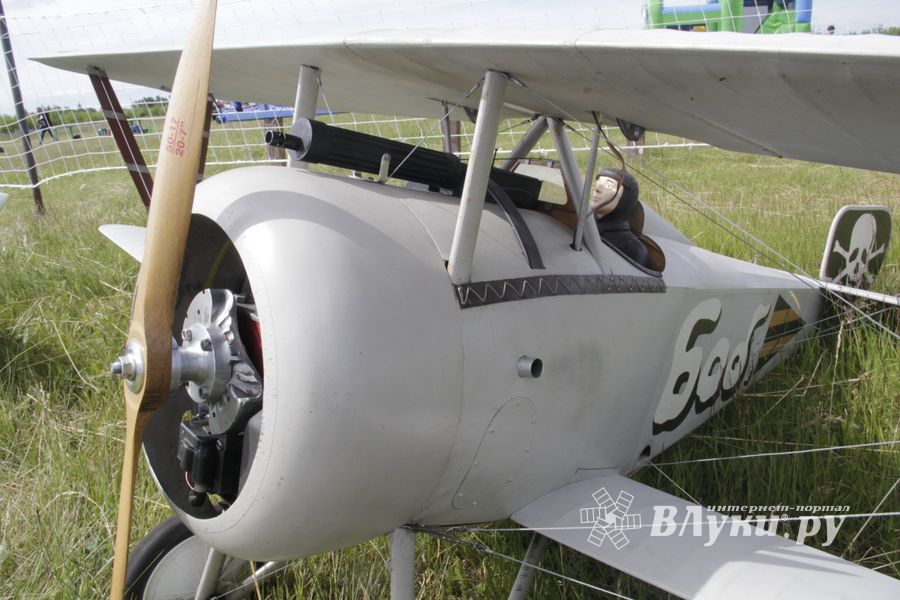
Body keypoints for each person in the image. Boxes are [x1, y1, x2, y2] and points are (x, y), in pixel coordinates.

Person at [591, 168, 651, 269]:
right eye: (598, 183)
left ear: (625, 198)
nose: (597, 189)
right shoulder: (578, 225)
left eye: (609, 186)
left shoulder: (633, 249)